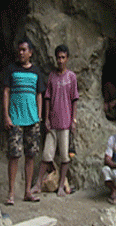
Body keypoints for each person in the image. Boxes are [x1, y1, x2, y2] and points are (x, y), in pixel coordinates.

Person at [31, 44, 79, 197]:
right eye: (58, 57)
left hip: (65, 123)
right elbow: (47, 98)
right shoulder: (52, 76)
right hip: (52, 122)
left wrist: (73, 120)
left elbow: (74, 100)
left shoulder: (71, 77)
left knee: (65, 156)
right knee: (46, 155)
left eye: (63, 57)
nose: (60, 61)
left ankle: (60, 186)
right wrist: (46, 119)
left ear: (67, 59)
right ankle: (38, 184)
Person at [2, 38, 46, 204]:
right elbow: (6, 92)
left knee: (30, 156)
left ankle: (28, 191)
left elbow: (39, 94)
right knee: (14, 156)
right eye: (19, 50)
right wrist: (6, 116)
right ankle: (11, 193)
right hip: (15, 120)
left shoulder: (36, 72)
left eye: (24, 50)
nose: (21, 53)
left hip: (32, 120)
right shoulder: (11, 69)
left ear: (30, 52)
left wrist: (39, 117)